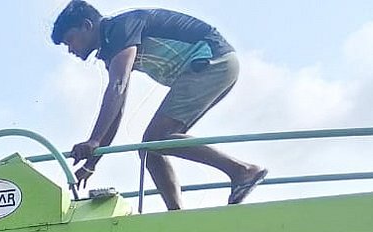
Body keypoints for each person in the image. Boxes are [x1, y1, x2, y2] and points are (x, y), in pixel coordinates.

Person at [51, 1, 267, 210]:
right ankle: (176, 214)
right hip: (212, 66)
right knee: (150, 149)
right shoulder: (112, 47)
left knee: (155, 140)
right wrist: (92, 163)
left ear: (87, 26)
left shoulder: (120, 28)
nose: (70, 49)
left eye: (70, 40)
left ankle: (242, 171)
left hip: (212, 61)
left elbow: (117, 85)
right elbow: (117, 108)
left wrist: (94, 140)